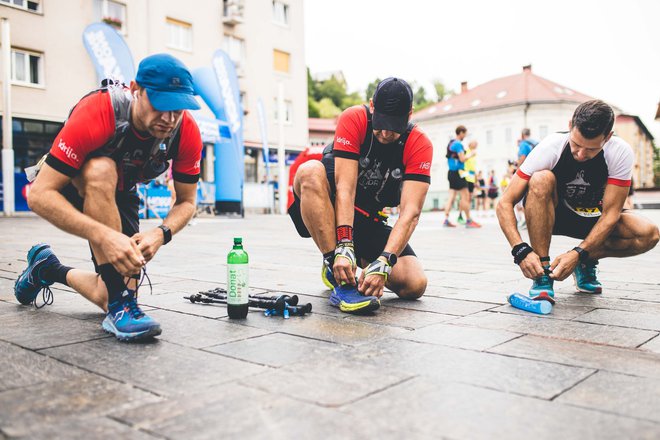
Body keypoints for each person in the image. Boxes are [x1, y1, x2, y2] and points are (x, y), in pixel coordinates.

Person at [14, 54, 203, 342]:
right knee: (101, 169)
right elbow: (38, 195)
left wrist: (161, 233)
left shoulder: (185, 131)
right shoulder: (100, 111)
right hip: (68, 184)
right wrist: (104, 236)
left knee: (108, 295)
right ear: (136, 89)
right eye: (161, 105)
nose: (169, 118)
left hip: (120, 191)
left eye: (178, 109)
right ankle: (122, 302)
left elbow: (187, 201)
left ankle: (47, 268)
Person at [288, 77, 432, 314]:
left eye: (394, 126)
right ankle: (336, 268)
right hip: (332, 209)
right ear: (372, 106)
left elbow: (410, 213)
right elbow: (346, 188)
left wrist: (384, 262)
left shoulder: (419, 143)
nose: (385, 133)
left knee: (415, 284)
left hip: (369, 221)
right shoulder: (354, 118)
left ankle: (358, 263)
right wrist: (344, 246)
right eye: (381, 123)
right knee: (309, 172)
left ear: (410, 115)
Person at [497, 100, 659, 298]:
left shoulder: (620, 152)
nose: (581, 154)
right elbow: (504, 202)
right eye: (576, 144)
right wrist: (520, 250)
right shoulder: (551, 146)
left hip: (595, 219)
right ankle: (543, 273)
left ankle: (585, 262)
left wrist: (579, 253)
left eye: (591, 149)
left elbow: (611, 214)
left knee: (649, 234)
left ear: (607, 137)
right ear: (569, 126)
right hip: (554, 215)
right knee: (540, 179)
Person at [443, 126, 481, 228]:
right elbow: (462, 159)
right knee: (465, 196)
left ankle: (446, 219)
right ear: (460, 133)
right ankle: (468, 220)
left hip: (451, 172)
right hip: (458, 173)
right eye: (464, 134)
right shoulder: (458, 144)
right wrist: (471, 155)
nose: (465, 136)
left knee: (451, 197)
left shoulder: (451, 143)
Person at [457, 140, 478, 224]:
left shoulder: (474, 154)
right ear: (470, 144)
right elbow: (462, 161)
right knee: (465, 198)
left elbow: (473, 167)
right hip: (466, 176)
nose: (476, 144)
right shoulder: (466, 152)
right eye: (475, 143)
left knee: (468, 198)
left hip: (472, 178)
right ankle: (461, 215)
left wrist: (476, 179)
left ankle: (466, 216)